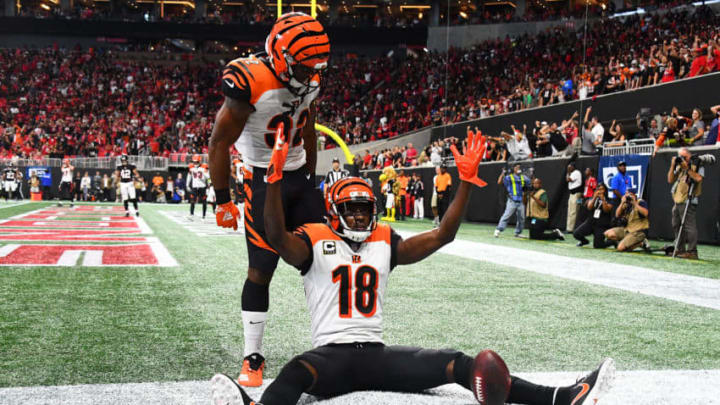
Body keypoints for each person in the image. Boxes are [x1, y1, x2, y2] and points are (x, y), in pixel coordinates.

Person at [210, 130, 614, 405]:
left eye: (364, 210)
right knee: (295, 372)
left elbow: (442, 236)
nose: (358, 218)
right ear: (333, 212)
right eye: (349, 211)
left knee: (459, 362)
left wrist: (466, 184)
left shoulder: (384, 242)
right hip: (329, 356)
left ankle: (558, 397)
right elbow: (277, 236)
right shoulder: (314, 239)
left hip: (378, 355)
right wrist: (275, 181)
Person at [209, 12, 329, 386]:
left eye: (314, 66)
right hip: (262, 177)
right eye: (303, 65)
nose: (310, 73)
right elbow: (219, 142)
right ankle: (253, 356)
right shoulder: (250, 80)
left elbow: (308, 124)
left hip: (298, 177)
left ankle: (332, 344)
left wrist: (311, 172)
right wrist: (223, 199)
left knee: (324, 262)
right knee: (261, 268)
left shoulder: (309, 78)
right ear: (280, 55)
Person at [668, 147, 705, 259]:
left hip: (689, 199)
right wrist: (673, 165)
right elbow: (670, 180)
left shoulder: (697, 164)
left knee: (689, 226)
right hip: (678, 199)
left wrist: (687, 168)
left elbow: (698, 178)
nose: (682, 159)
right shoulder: (679, 167)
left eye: (684, 157)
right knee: (676, 224)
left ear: (689, 155)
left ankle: (692, 252)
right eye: (680, 157)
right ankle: (680, 249)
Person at [494, 164, 530, 238]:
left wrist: (531, 174)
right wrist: (503, 173)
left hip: (521, 201)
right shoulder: (509, 177)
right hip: (512, 200)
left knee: (522, 218)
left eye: (519, 167)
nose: (518, 168)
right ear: (514, 169)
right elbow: (499, 182)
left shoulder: (524, 177)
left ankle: (518, 233)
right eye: (517, 167)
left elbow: (530, 184)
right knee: (506, 216)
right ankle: (498, 230)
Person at [573, 183, 614, 248]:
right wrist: (594, 197)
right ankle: (584, 241)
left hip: (601, 225)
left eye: (602, 189)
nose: (600, 191)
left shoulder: (609, 200)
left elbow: (606, 210)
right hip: (590, 222)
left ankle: (612, 242)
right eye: (598, 189)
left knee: (598, 245)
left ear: (605, 190)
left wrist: (603, 199)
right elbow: (589, 207)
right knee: (576, 234)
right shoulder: (592, 198)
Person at [187, 155, 210, 219]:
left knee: (204, 201)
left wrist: (209, 185)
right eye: (194, 162)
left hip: (202, 186)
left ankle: (204, 215)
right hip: (194, 187)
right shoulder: (191, 167)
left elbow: (208, 177)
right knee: (192, 200)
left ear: (199, 161)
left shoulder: (204, 167)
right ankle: (191, 214)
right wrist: (187, 184)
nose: (195, 163)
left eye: (196, 162)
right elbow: (189, 176)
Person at [565, 163, 582, 233]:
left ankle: (571, 229)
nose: (568, 168)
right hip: (572, 194)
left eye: (569, 167)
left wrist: (568, 172)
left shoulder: (576, 172)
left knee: (574, 211)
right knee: (570, 211)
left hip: (577, 194)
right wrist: (568, 172)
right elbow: (567, 179)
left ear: (573, 167)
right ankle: (569, 228)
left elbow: (569, 180)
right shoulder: (571, 173)